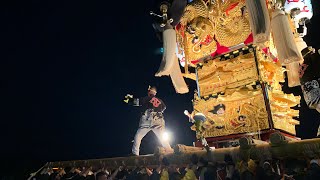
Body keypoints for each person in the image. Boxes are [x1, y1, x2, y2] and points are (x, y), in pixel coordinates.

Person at [130, 86, 172, 156]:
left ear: (149, 92)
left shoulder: (147, 98)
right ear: (155, 93)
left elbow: (137, 102)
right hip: (158, 119)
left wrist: (129, 100)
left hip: (147, 119)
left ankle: (135, 154)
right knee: (162, 137)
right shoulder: (160, 100)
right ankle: (169, 150)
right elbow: (164, 107)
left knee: (138, 136)